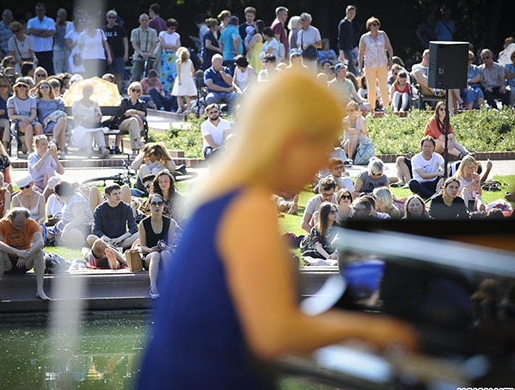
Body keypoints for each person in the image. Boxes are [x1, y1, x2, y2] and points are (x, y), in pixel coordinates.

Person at [136, 71, 416, 389]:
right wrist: (371, 330)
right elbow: (274, 335)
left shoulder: (223, 193)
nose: (323, 163)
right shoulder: (250, 207)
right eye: (322, 146)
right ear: (292, 141)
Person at [0, 208, 49, 302]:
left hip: (25, 261)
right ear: (10, 219)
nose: (20, 228)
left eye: (22, 225)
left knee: (39, 252)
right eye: (16, 225)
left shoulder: (32, 224)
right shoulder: (1, 224)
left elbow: (40, 242)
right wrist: (17, 252)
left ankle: (40, 290)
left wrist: (27, 254)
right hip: (7, 263)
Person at [85, 184, 138, 269]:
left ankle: (113, 253)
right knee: (90, 238)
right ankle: (116, 259)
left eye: (119, 193)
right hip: (106, 241)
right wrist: (106, 238)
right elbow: (95, 230)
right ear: (107, 196)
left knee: (139, 235)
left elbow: (133, 228)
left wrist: (120, 238)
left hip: (121, 241)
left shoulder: (126, 207)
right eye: (115, 194)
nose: (118, 196)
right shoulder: (99, 210)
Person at [137, 193, 177, 298]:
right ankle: (153, 286)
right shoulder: (143, 223)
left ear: (164, 206)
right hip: (150, 257)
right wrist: (150, 250)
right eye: (153, 204)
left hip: (166, 255)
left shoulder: (170, 222)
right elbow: (142, 247)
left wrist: (167, 247)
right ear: (149, 206)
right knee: (156, 255)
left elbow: (172, 245)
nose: (157, 206)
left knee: (165, 253)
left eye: (159, 203)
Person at [358, 17, 393, 112]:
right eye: (374, 24)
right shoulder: (364, 37)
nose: (376, 26)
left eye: (377, 24)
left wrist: (390, 59)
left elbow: (389, 47)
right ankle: (371, 109)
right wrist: (360, 66)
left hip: (382, 63)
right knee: (371, 88)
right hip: (370, 65)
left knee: (383, 87)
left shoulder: (383, 35)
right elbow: (361, 53)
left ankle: (387, 108)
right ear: (369, 26)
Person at [70, 82, 111, 158]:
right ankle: (88, 150)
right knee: (87, 131)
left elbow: (99, 115)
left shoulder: (95, 103)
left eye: (89, 90)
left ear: (91, 92)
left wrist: (97, 118)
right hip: (80, 126)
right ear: (82, 91)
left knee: (98, 131)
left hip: (93, 125)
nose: (86, 92)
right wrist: (86, 119)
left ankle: (103, 149)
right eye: (85, 90)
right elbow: (76, 116)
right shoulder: (76, 103)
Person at [54, 181, 93, 248]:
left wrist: (66, 228)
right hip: (66, 226)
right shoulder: (70, 199)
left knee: (73, 233)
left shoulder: (76, 200)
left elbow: (80, 218)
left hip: (81, 227)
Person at [26, 3, 55, 75]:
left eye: (41, 10)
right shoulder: (31, 21)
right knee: (36, 71)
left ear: (44, 11)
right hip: (35, 50)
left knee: (48, 71)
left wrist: (36, 32)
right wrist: (44, 31)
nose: (39, 12)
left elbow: (51, 32)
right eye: (37, 10)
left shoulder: (50, 21)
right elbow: (29, 31)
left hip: (47, 50)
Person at [103, 10, 127, 90]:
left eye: (113, 17)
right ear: (107, 18)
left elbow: (125, 41)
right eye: (110, 17)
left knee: (118, 75)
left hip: (118, 55)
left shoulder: (120, 29)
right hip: (106, 56)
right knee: (106, 76)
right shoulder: (103, 30)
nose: (111, 19)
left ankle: (119, 92)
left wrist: (126, 53)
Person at [130, 13, 158, 82]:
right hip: (138, 56)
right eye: (142, 20)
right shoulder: (135, 31)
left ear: (148, 21)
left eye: (146, 20)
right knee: (136, 75)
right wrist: (141, 53)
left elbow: (154, 44)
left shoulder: (153, 31)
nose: (144, 22)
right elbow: (134, 44)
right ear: (139, 21)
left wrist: (150, 53)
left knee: (151, 76)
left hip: (150, 56)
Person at [171, 47, 197, 114]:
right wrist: (191, 76)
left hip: (181, 78)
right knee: (187, 95)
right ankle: (188, 108)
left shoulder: (178, 62)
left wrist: (179, 80)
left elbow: (178, 71)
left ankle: (180, 108)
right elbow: (193, 70)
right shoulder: (189, 61)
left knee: (179, 95)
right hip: (188, 78)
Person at [158, 19, 181, 93]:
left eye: (174, 28)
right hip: (165, 57)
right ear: (167, 27)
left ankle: (173, 91)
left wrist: (169, 46)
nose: (173, 30)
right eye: (171, 28)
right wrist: (172, 47)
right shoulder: (162, 34)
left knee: (173, 73)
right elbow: (163, 45)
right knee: (164, 74)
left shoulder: (176, 35)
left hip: (174, 57)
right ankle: (164, 90)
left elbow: (178, 46)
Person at [338, 5, 359, 74]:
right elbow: (341, 38)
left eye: (353, 13)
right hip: (345, 50)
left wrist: (356, 48)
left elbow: (351, 37)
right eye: (350, 13)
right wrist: (341, 52)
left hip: (350, 49)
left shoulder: (350, 23)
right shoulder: (343, 23)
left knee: (349, 67)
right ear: (346, 13)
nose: (352, 15)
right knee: (350, 68)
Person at [65, 11, 86, 75]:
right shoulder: (71, 34)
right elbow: (69, 47)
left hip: (84, 56)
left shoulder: (85, 33)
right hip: (74, 57)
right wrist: (77, 41)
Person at [53, 9, 69, 75]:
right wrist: (57, 24)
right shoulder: (54, 25)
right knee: (58, 67)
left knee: (67, 68)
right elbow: (52, 35)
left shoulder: (69, 25)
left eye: (63, 15)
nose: (62, 17)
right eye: (60, 16)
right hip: (58, 49)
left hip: (67, 49)